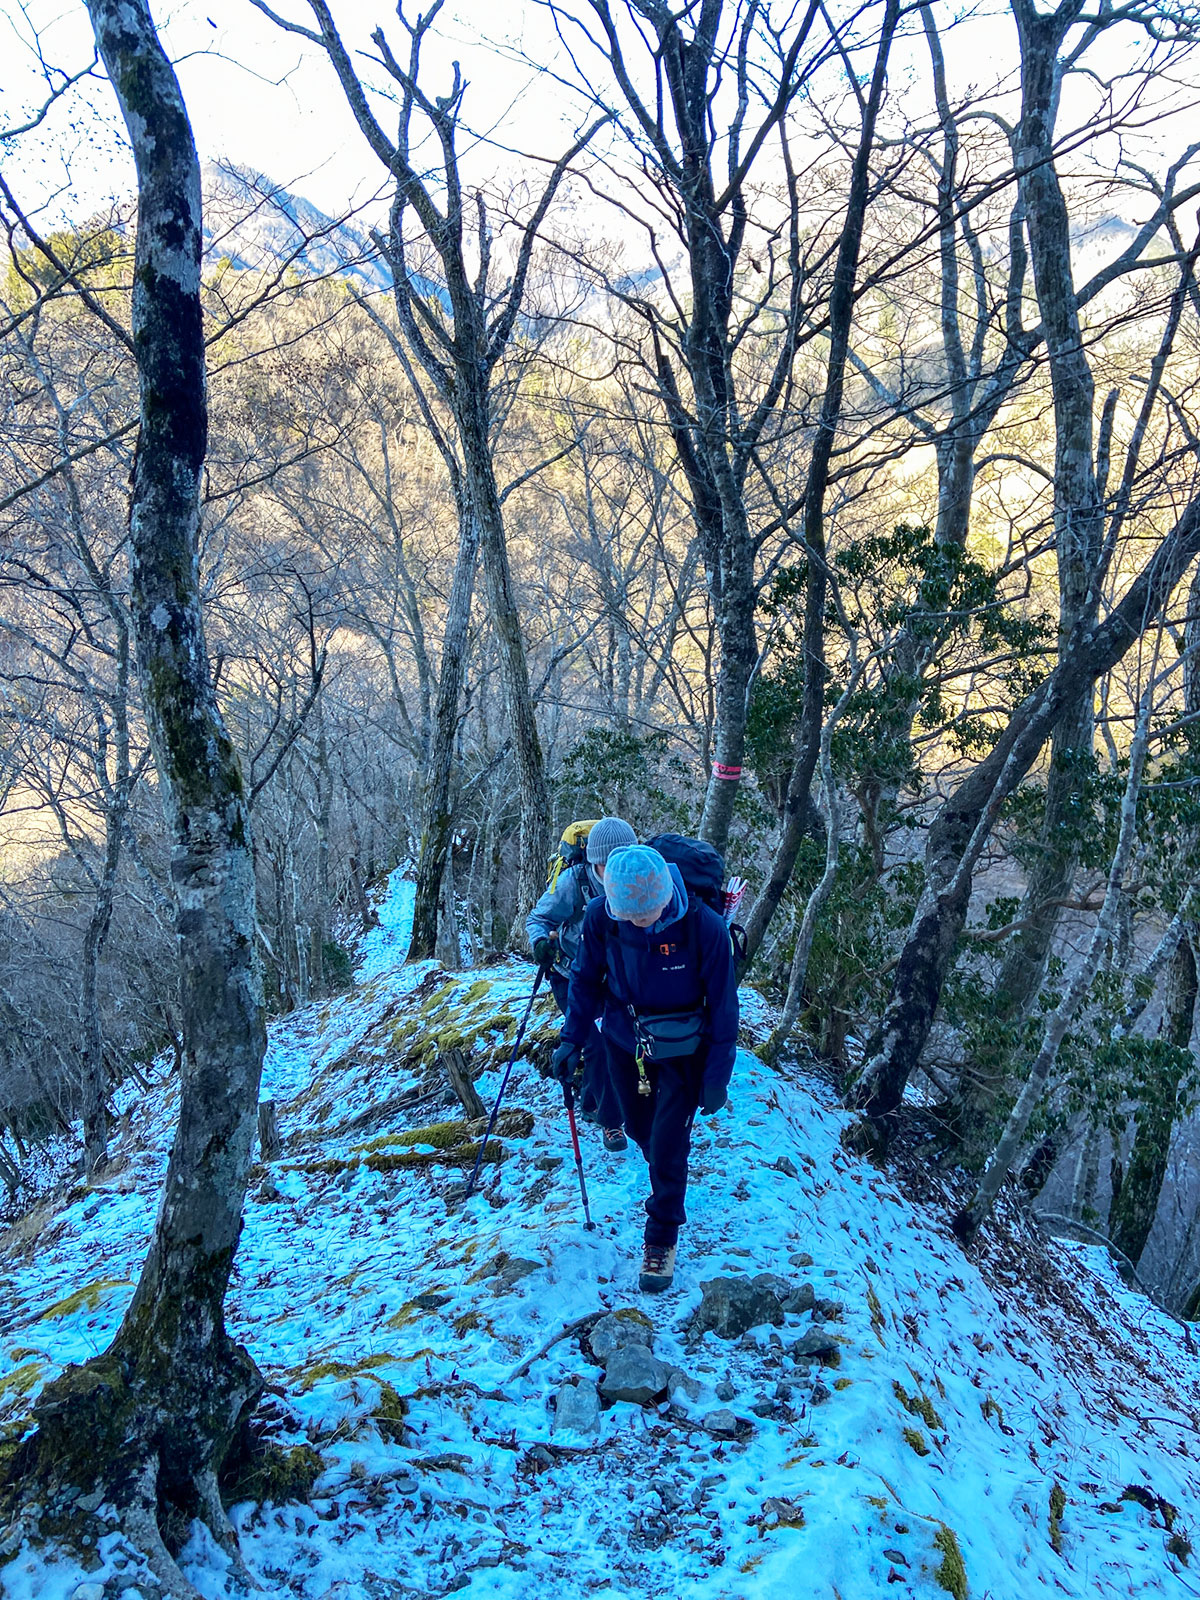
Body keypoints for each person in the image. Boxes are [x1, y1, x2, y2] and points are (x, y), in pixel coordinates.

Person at [551, 844, 738, 1292]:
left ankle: (661, 1238)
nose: (639, 922)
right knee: (639, 1129)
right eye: (630, 916)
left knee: (669, 1145)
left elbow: (724, 1007)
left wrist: (717, 1077)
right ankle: (666, 1168)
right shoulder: (601, 917)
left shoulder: (705, 928)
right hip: (624, 1041)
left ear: (665, 895)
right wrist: (571, 1039)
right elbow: (584, 980)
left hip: (683, 1051)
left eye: (647, 914)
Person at [526, 816, 637, 1151]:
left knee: (617, 1042)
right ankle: (612, 1123)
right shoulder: (573, 882)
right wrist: (539, 943)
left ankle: (590, 1102)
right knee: (597, 1045)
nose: (617, 872)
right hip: (571, 975)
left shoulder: (638, 877)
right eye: (609, 864)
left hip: (614, 978)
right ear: (594, 861)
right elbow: (538, 917)